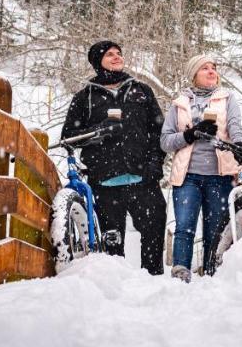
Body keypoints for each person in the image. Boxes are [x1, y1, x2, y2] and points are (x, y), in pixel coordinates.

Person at [62, 40, 167, 275]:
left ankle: (155, 285)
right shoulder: (85, 97)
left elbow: (159, 131)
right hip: (105, 182)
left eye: (119, 53)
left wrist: (155, 164)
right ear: (97, 62)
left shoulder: (141, 90)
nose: (117, 56)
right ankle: (115, 295)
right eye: (110, 54)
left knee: (154, 235)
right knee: (111, 251)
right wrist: (101, 131)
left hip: (144, 179)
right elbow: (68, 137)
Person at [160, 53, 242, 283]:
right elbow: (165, 141)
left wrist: (238, 145)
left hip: (220, 176)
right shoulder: (180, 104)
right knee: (185, 226)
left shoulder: (227, 98)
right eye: (205, 68)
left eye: (214, 67)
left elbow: (235, 126)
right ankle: (180, 277)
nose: (211, 71)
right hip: (187, 176)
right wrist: (190, 134)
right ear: (194, 75)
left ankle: (213, 275)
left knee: (216, 231)